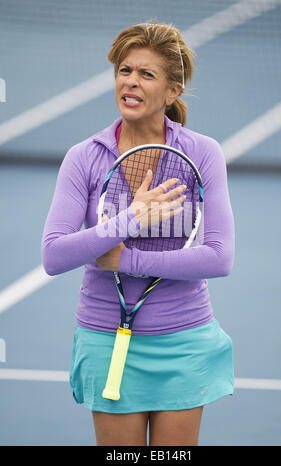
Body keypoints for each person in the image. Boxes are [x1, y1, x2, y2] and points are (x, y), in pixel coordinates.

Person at [41, 21, 235, 446]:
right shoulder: (84, 158)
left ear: (172, 91)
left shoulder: (202, 153)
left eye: (146, 74)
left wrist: (126, 258)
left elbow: (219, 256)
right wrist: (128, 221)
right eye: (124, 70)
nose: (130, 82)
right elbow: (54, 256)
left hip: (182, 340)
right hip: (105, 340)